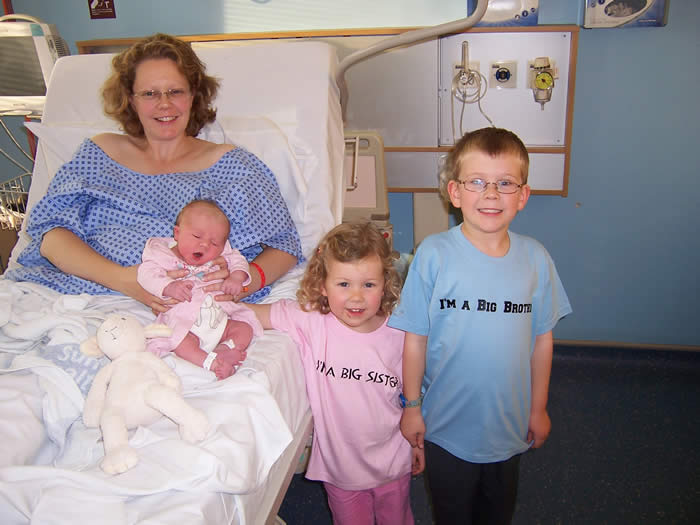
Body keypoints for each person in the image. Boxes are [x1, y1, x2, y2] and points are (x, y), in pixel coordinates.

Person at [5, 33, 302, 311]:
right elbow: (52, 235)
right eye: (149, 93)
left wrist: (243, 282)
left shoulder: (233, 167)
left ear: (194, 96)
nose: (164, 104)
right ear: (131, 100)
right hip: (83, 293)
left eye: (175, 91)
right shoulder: (100, 153)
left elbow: (284, 246)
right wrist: (122, 280)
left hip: (192, 304)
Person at [388, 127, 572, 524]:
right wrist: (412, 406)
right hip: (446, 426)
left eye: (505, 183)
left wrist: (538, 408)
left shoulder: (535, 259)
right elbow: (414, 338)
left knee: (497, 513)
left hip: (508, 424)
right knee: (452, 513)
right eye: (477, 182)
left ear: (522, 196)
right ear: (454, 193)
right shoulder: (433, 254)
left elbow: (542, 340)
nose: (491, 194)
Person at [246, 222, 423, 525]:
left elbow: (413, 393)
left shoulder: (400, 331)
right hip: (340, 470)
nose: (356, 297)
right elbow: (256, 314)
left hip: (393, 461)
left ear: (385, 284)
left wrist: (416, 445)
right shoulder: (311, 321)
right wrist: (205, 305)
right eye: (343, 284)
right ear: (322, 285)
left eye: (368, 285)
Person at [138, 199, 263, 380]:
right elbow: (145, 274)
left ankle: (224, 349)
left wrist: (237, 276)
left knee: (245, 329)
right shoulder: (162, 256)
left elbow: (238, 259)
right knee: (180, 342)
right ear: (177, 233)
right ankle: (212, 363)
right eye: (197, 236)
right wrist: (167, 286)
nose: (205, 245)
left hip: (219, 320)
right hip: (185, 323)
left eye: (214, 243)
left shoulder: (221, 255)